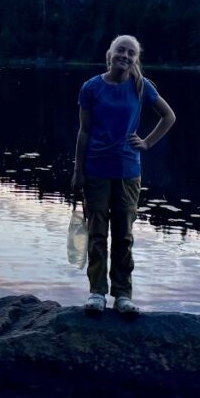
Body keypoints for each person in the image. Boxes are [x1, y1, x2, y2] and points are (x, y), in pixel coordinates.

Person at [71, 34, 176, 314]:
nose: (125, 56)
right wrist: (77, 170)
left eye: (131, 53)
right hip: (95, 170)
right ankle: (96, 292)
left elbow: (169, 116)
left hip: (129, 171)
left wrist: (147, 143)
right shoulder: (91, 88)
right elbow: (84, 131)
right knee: (96, 233)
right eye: (121, 50)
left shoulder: (142, 87)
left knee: (123, 235)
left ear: (135, 58)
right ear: (110, 53)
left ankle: (122, 294)